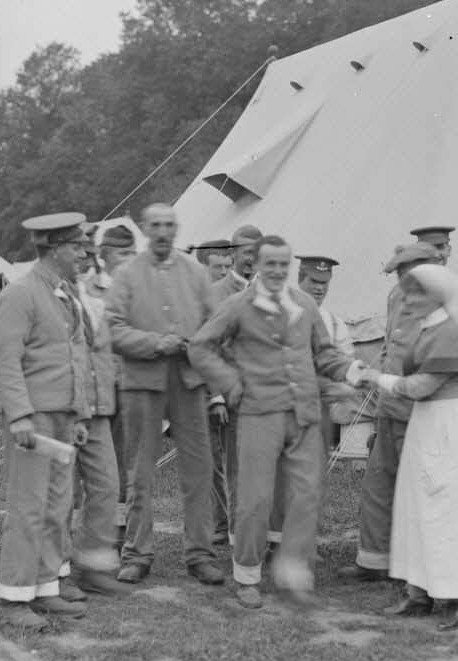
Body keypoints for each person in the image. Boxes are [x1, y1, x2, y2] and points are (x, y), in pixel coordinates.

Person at [189, 236, 363, 609]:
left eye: (283, 265)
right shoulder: (238, 306)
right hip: (258, 414)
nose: (277, 271)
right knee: (255, 498)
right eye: (271, 264)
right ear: (257, 264)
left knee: (305, 494)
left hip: (303, 415)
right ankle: (247, 575)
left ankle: (292, 570)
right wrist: (231, 384)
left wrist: (349, 370)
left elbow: (325, 352)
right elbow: (200, 346)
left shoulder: (303, 304)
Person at [358, 264, 458, 630]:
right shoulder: (428, 327)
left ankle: (455, 598)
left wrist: (373, 377)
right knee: (416, 506)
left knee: (444, 510)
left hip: (442, 423)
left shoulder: (450, 330)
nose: (409, 299)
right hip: (424, 423)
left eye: (416, 292)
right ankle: (418, 592)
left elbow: (421, 387)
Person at [0, 212, 99, 629]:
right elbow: (6, 361)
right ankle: (14, 595)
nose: (84, 254)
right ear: (55, 249)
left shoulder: (63, 292)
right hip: (31, 420)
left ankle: (47, 586)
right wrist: (19, 415)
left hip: (60, 417)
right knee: (28, 508)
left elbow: (76, 357)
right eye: (76, 247)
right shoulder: (20, 294)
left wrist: (79, 414)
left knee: (58, 507)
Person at [105, 202, 225, 586]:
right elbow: (113, 329)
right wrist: (157, 343)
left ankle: (200, 554)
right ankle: (137, 554)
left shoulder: (195, 272)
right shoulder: (126, 274)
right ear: (144, 228)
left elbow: (215, 323)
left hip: (189, 382)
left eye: (168, 225)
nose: (162, 232)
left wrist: (197, 345)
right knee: (139, 470)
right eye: (155, 225)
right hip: (143, 382)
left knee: (199, 468)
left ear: (177, 228)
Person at [337, 241, 443, 582]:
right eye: (398, 273)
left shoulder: (444, 303)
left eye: (406, 271)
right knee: (377, 484)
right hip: (389, 406)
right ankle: (373, 561)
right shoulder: (397, 296)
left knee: (419, 490)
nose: (401, 279)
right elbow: (389, 347)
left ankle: (416, 567)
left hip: (420, 411)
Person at [60, 234, 125, 598]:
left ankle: (93, 564)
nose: (84, 254)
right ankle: (58, 572)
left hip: (99, 406)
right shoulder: (55, 293)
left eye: (88, 247)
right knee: (63, 494)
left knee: (106, 486)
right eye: (77, 247)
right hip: (68, 406)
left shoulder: (104, 290)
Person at [208, 224, 264, 547]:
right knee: (237, 469)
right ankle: (237, 537)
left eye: (256, 253)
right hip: (234, 398)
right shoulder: (216, 294)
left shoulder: (271, 290)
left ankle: (263, 533)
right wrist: (215, 394)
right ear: (233, 254)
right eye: (245, 253)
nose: (251, 260)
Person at [98, 222, 139, 537]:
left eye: (133, 252)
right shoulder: (87, 290)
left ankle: (119, 529)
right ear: (105, 256)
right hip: (95, 390)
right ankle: (82, 529)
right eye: (123, 253)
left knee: (124, 463)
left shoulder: (139, 292)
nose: (130, 259)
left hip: (128, 388)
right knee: (92, 463)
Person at [297, 255, 358, 457]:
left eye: (324, 283)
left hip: (318, 411)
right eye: (313, 281)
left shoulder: (334, 324)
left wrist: (347, 386)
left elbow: (348, 366)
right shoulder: (281, 314)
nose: (319, 288)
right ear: (300, 278)